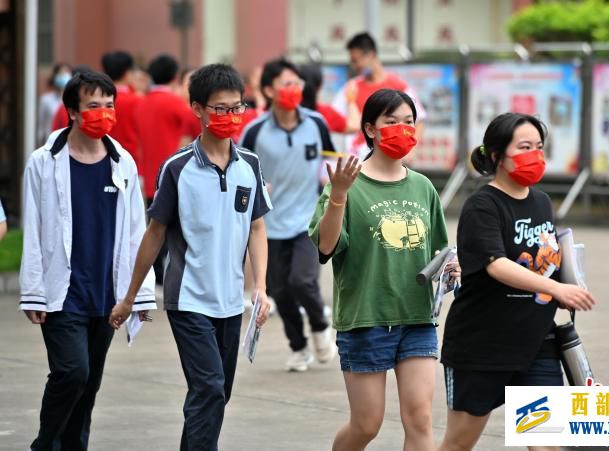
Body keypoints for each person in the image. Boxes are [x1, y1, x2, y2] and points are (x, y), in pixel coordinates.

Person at [109, 63, 272, 451]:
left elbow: (256, 228)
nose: (231, 117)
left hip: (231, 301)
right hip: (189, 299)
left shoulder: (249, 165)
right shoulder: (177, 168)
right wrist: (131, 297)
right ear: (197, 109)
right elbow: (155, 234)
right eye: (221, 109)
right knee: (209, 389)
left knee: (215, 395)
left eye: (237, 108)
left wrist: (261, 287)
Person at [309, 88, 458, 450]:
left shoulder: (423, 187)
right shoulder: (346, 184)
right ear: (370, 129)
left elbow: (438, 250)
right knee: (366, 424)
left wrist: (450, 266)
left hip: (417, 319)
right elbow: (326, 246)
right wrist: (339, 196)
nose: (403, 129)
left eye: (409, 122)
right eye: (391, 122)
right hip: (366, 320)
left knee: (420, 418)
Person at [438, 113, 597, 451]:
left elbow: (547, 257)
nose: (535, 155)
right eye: (524, 147)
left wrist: (567, 283)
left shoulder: (541, 202)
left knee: (545, 445)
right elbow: (496, 265)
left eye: (539, 147)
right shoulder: (482, 206)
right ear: (496, 155)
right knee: (459, 443)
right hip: (481, 348)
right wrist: (554, 288)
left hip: (536, 344)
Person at [19, 70, 156, 451]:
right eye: (93, 106)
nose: (104, 113)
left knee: (90, 380)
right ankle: (45, 444)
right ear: (73, 112)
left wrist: (139, 294)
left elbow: (135, 233)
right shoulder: (44, 162)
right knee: (71, 372)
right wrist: (33, 292)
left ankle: (74, 445)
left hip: (107, 294)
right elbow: (33, 228)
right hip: (62, 292)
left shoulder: (122, 163)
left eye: (109, 105)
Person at [239, 58, 336, 372]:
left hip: (308, 218)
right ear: (269, 89)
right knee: (280, 290)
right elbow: (241, 169)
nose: (295, 89)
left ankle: (321, 327)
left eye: (298, 83)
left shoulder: (315, 123)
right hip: (269, 223)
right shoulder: (255, 131)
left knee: (302, 280)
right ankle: (298, 347)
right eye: (287, 83)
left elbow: (329, 159)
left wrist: (333, 191)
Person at [135, 54, 199, 284]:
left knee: (154, 227)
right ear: (175, 76)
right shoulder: (176, 104)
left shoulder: (141, 102)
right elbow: (197, 124)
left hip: (150, 174)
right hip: (177, 175)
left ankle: (154, 277)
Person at [332, 32, 426, 158]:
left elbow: (419, 119)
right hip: (359, 159)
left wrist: (411, 151)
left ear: (371, 55)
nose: (354, 66)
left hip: (390, 157)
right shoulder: (351, 87)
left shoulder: (399, 86)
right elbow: (334, 119)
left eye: (356, 60)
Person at [101, 50, 143, 166]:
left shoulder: (98, 100)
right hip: (131, 160)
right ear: (127, 73)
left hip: (102, 158)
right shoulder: (137, 101)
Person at [300, 63, 360, 134]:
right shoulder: (323, 114)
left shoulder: (288, 111)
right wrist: (351, 100)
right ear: (319, 87)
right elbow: (355, 125)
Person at [38, 63, 72, 143]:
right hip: (50, 141)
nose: (63, 76)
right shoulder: (46, 99)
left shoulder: (73, 100)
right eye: (61, 74)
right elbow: (41, 124)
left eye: (66, 73)